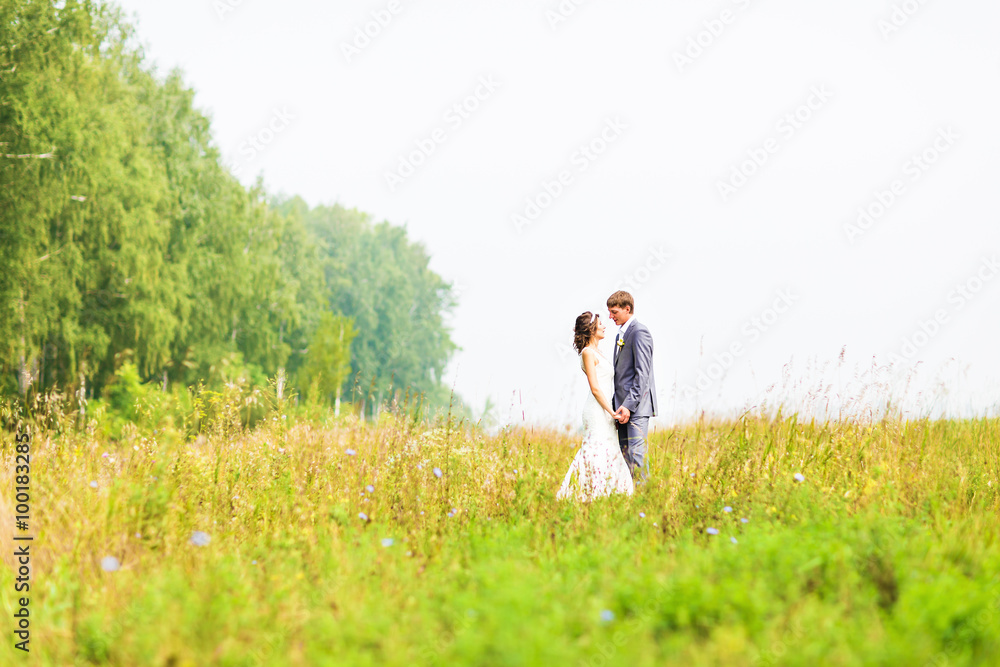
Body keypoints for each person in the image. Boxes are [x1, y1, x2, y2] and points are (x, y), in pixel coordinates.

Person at [557, 311, 634, 501]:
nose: (604, 326)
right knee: (595, 448)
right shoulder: (587, 353)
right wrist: (612, 413)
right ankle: (589, 492)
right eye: (600, 323)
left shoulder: (598, 352)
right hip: (597, 411)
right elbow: (595, 388)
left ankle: (610, 492)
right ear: (592, 328)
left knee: (610, 448)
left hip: (606, 409)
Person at [607, 290, 657, 482]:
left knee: (637, 458)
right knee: (625, 458)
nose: (610, 317)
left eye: (614, 312)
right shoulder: (621, 334)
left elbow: (642, 373)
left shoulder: (639, 332)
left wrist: (628, 405)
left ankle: (645, 503)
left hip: (636, 407)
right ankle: (632, 501)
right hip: (622, 408)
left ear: (627, 309)